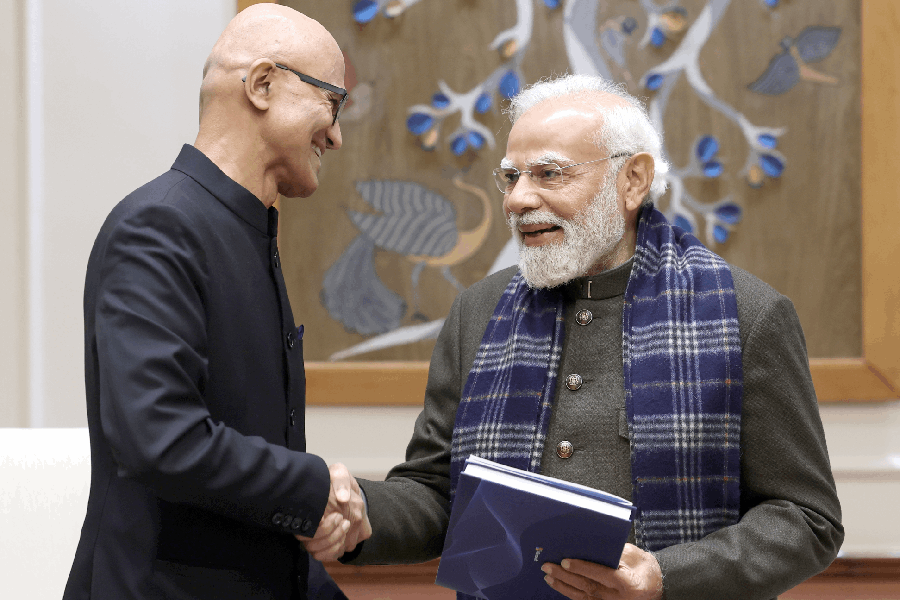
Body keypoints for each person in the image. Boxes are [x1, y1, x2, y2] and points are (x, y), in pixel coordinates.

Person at [338, 74, 844, 600]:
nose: (517, 200)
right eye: (511, 177)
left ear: (633, 180)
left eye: (549, 174)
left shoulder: (748, 315)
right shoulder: (477, 311)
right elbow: (437, 492)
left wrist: (667, 578)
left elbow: (807, 520)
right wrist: (356, 511)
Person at [64, 5, 370, 599]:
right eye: (333, 102)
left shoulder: (247, 231)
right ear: (261, 85)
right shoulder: (160, 225)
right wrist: (315, 488)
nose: (336, 134)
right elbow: (160, 438)